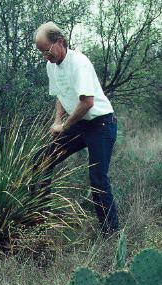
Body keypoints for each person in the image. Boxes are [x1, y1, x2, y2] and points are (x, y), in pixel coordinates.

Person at [33, 21, 119, 237]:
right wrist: (56, 121)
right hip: (78, 123)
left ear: (59, 41)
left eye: (47, 50)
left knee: (98, 180)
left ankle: (112, 235)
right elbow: (61, 94)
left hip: (100, 124)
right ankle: (40, 222)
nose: (45, 55)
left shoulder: (78, 63)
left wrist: (65, 125)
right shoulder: (51, 65)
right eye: (41, 52)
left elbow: (87, 103)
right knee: (41, 160)